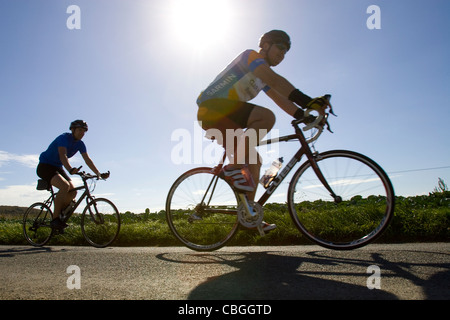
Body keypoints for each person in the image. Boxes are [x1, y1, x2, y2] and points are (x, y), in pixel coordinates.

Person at [197, 30, 330, 231]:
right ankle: (233, 168)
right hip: (212, 108)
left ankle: (248, 217)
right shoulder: (251, 57)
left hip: (226, 115)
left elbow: (280, 98)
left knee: (254, 162)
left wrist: (304, 115)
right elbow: (276, 81)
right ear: (266, 45)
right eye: (281, 48)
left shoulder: (263, 76)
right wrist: (309, 101)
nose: (282, 55)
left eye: (286, 52)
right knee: (266, 117)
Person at [36, 120, 108, 230]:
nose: (82, 133)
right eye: (79, 130)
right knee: (64, 186)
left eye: (84, 131)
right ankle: (55, 220)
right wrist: (70, 169)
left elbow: (87, 159)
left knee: (73, 191)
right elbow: (63, 155)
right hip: (45, 166)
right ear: (73, 130)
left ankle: (60, 212)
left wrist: (98, 173)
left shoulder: (80, 144)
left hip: (58, 167)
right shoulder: (63, 138)